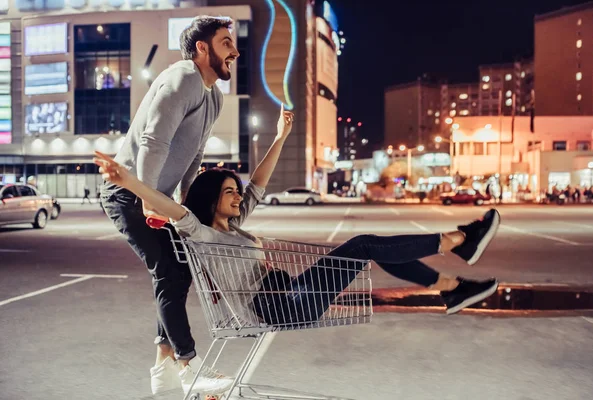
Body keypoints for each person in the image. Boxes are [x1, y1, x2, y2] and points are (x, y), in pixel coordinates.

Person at [95, 106, 501, 386]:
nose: (238, 197)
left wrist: (281, 136)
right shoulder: (200, 232)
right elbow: (167, 206)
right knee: (362, 247)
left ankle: (451, 283)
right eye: (229, 192)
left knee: (366, 250)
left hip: (289, 292)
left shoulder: (234, 225)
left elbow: (259, 181)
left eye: (236, 192)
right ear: (210, 199)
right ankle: (458, 243)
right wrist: (129, 181)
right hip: (277, 306)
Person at [99, 15, 240, 396]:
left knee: (182, 269)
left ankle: (164, 367)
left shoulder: (214, 96)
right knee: (168, 271)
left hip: (154, 197)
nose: (235, 51)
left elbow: (194, 155)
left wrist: (187, 205)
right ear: (202, 48)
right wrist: (148, 199)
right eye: (226, 43)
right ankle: (188, 365)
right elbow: (153, 142)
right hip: (126, 193)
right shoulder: (183, 79)